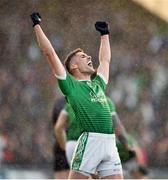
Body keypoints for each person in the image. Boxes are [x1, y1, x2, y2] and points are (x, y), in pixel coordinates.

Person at [30, 12, 123, 179]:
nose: (88, 56)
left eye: (87, 55)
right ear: (73, 66)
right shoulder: (71, 85)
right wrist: (37, 26)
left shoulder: (98, 83)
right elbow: (50, 53)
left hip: (109, 142)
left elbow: (105, 60)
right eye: (82, 56)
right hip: (90, 142)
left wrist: (104, 35)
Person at [52, 98, 69, 179]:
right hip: (74, 143)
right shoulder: (81, 101)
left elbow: (56, 126)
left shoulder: (59, 103)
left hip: (60, 142)